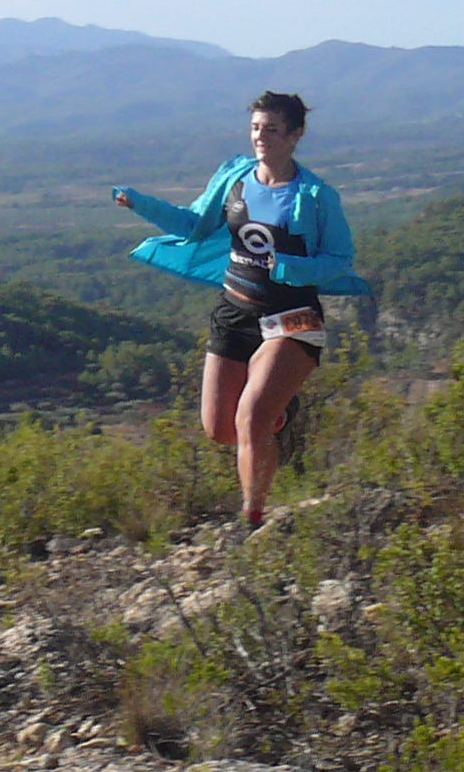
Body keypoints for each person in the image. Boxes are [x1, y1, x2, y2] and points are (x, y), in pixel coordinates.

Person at [113, 91, 365, 529]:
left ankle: (253, 518)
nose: (260, 137)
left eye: (272, 129)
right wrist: (140, 203)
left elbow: (341, 259)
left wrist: (291, 267)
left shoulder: (316, 195)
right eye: (256, 128)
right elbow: (194, 224)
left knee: (250, 419)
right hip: (234, 311)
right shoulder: (235, 178)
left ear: (295, 136)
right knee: (220, 429)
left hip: (293, 317)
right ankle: (281, 413)